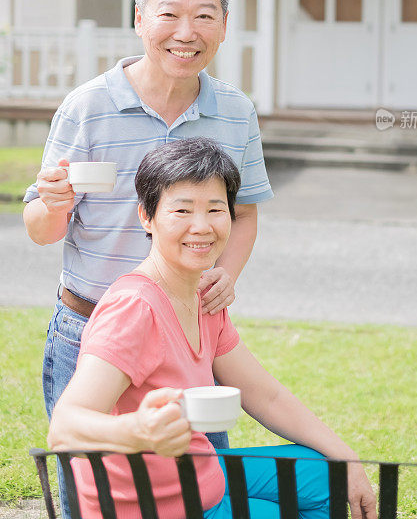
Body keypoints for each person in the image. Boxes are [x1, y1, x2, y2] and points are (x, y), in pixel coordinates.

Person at [23, 0, 273, 512]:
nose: (187, 32)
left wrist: (225, 276)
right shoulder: (86, 106)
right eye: (169, 14)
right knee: (91, 499)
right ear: (139, 19)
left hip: (188, 335)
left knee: (199, 493)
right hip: (88, 332)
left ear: (225, 26)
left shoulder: (236, 112)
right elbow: (40, 228)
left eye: (205, 15)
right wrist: (54, 202)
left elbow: (248, 213)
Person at [48, 138, 377, 519]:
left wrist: (348, 458)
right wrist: (138, 432)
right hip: (157, 505)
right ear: (147, 217)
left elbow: (266, 396)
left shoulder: (203, 296)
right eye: (182, 210)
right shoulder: (134, 308)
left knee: (328, 475)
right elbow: (64, 427)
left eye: (215, 209)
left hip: (202, 475)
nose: (201, 227)